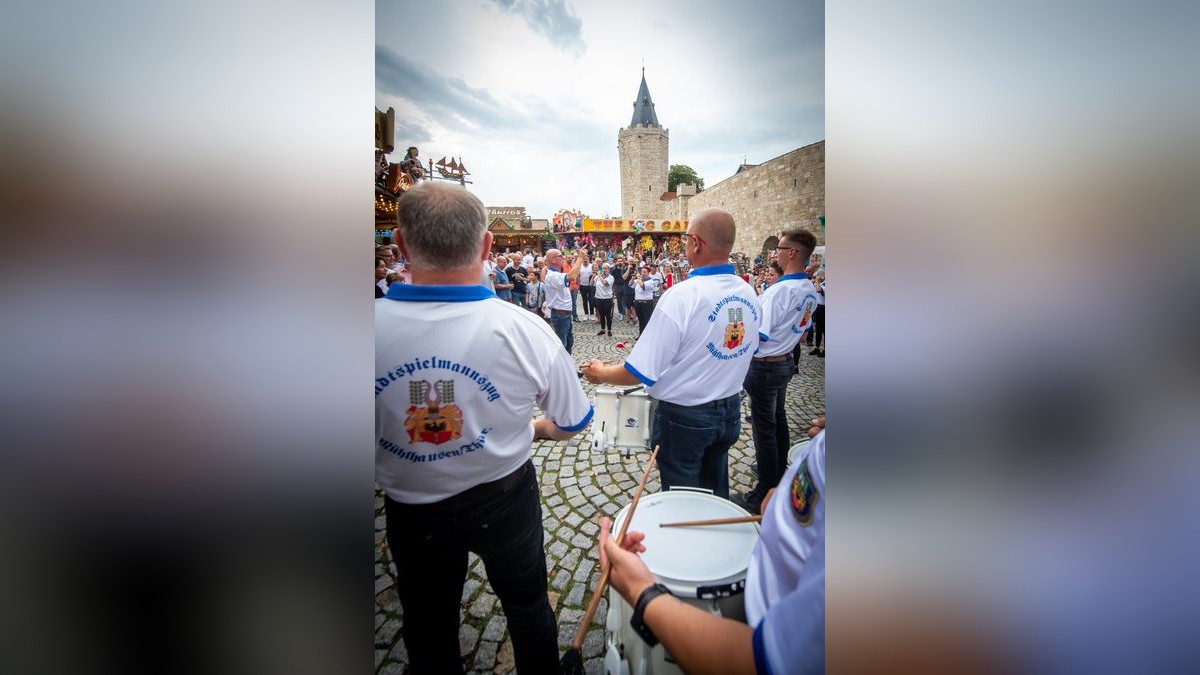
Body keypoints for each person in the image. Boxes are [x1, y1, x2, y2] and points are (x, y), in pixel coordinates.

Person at [376, 182, 593, 674]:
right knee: (528, 608)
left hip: (410, 508)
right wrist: (531, 429)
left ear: (403, 247)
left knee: (428, 625)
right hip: (504, 497)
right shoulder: (524, 329)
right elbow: (573, 420)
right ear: (488, 246)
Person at [598, 421, 825, 675]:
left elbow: (771, 662)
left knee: (684, 556)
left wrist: (639, 591)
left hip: (752, 629)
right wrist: (788, 495)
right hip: (721, 414)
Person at [583, 208, 761, 498]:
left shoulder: (683, 295)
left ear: (695, 242)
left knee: (682, 496)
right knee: (716, 488)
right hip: (728, 410)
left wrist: (600, 372)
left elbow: (638, 371)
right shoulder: (747, 291)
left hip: (686, 417)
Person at [731, 229, 820, 514]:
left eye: (779, 248)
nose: (775, 253)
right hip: (784, 362)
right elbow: (804, 331)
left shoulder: (780, 290)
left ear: (791, 252)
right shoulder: (807, 288)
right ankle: (779, 472)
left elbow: (760, 334)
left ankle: (763, 492)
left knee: (764, 429)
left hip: (766, 365)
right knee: (777, 419)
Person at [540, 247, 587, 353]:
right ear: (552, 259)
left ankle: (567, 368)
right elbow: (573, 276)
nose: (563, 258)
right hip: (560, 315)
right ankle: (560, 368)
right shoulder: (552, 276)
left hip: (564, 314)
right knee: (562, 346)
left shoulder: (557, 274)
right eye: (560, 256)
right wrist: (580, 258)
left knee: (569, 343)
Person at [631, 263, 659, 337]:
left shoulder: (651, 281)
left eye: (644, 272)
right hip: (638, 302)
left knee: (647, 321)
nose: (642, 273)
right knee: (641, 320)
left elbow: (642, 286)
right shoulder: (639, 280)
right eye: (642, 272)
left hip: (646, 303)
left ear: (648, 273)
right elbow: (630, 285)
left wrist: (639, 279)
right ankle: (641, 335)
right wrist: (633, 278)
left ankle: (648, 337)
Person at [593, 262, 615, 336]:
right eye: (603, 268)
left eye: (606, 268)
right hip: (598, 298)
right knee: (601, 314)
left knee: (608, 315)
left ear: (609, 270)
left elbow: (605, 283)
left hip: (607, 298)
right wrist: (593, 276)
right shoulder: (598, 277)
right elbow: (591, 284)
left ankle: (609, 330)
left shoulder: (611, 277)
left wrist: (599, 276)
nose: (604, 270)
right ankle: (602, 329)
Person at [808, 271, 825, 357]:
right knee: (818, 329)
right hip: (818, 308)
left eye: (816, 277)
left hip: (824, 308)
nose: (815, 279)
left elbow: (818, 290)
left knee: (824, 330)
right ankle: (817, 348)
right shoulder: (820, 283)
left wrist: (817, 281)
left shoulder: (824, 284)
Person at [578, 257, 595, 322]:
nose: (585, 260)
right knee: (584, 300)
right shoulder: (580, 266)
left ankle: (592, 314)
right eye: (584, 259)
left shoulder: (591, 266)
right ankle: (586, 314)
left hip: (590, 286)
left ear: (588, 260)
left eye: (586, 259)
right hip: (582, 285)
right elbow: (578, 276)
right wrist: (578, 285)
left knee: (591, 300)